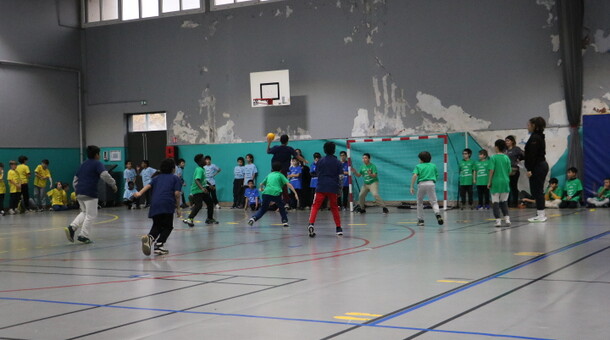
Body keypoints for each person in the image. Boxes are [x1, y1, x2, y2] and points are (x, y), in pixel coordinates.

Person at [64, 145, 117, 244]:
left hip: (79, 192)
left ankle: (72, 227)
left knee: (84, 212)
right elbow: (104, 175)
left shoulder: (82, 164)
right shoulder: (97, 164)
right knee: (91, 214)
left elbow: (75, 180)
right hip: (90, 193)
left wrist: (77, 190)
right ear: (97, 154)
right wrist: (113, 184)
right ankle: (83, 235)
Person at [134, 158, 182, 256]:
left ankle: (150, 239)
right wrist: (178, 208)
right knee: (168, 226)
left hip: (155, 204)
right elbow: (177, 194)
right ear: (173, 169)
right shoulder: (175, 178)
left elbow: (148, 186)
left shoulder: (156, 178)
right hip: (167, 204)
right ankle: (159, 244)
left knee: (157, 225)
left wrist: (139, 193)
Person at [307, 142, 344, 237]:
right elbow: (341, 177)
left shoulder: (320, 161)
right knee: (334, 207)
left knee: (315, 206)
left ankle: (311, 224)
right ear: (334, 150)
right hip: (333, 187)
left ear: (324, 150)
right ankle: (338, 228)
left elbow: (317, 173)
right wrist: (339, 189)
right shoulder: (338, 162)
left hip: (321, 186)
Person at [248, 162, 298, 228]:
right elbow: (289, 184)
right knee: (281, 207)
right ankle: (284, 221)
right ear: (281, 169)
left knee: (263, 209)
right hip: (276, 193)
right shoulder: (280, 175)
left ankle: (253, 218)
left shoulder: (269, 175)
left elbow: (261, 184)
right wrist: (295, 193)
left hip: (266, 193)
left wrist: (261, 188)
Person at [524, 117, 549, 222]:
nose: (527, 127)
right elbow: (531, 153)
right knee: (537, 191)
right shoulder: (538, 136)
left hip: (538, 166)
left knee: (537, 191)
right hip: (539, 165)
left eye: (529, 125)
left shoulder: (535, 138)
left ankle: (541, 215)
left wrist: (529, 169)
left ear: (534, 126)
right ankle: (540, 213)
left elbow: (533, 156)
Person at [410, 151, 444, 227]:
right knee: (434, 202)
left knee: (419, 202)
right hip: (431, 183)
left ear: (421, 160)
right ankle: (437, 214)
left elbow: (415, 175)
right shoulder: (433, 166)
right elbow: (437, 176)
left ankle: (421, 220)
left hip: (421, 184)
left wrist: (411, 186)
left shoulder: (418, 166)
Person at [183, 154, 218, 227]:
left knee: (210, 203)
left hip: (202, 190)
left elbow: (204, 180)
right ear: (199, 161)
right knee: (199, 205)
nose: (205, 160)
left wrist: (210, 185)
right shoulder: (199, 169)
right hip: (197, 190)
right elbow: (197, 180)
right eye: (203, 159)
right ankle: (190, 218)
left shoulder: (202, 169)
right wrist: (202, 188)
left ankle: (209, 219)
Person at [488, 140, 512, 227]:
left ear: (497, 147)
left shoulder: (493, 158)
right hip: (505, 182)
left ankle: (498, 221)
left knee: (495, 202)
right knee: (504, 201)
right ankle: (507, 219)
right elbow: (509, 171)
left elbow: (491, 170)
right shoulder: (506, 158)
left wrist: (489, 182)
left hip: (496, 182)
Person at [505, 135, 524, 207]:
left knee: (513, 186)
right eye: (506, 141)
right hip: (506, 170)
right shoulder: (505, 150)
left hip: (514, 170)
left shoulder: (516, 149)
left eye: (508, 141)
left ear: (512, 141)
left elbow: (523, 155)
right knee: (507, 187)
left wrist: (519, 159)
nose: (506, 142)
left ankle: (515, 202)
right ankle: (507, 202)